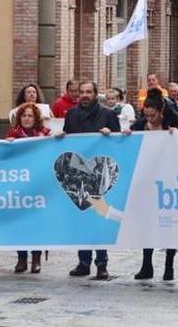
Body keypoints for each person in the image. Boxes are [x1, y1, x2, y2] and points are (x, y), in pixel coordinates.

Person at [61, 81, 121, 280]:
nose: (84, 95)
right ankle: (83, 262)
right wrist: (62, 137)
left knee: (98, 220)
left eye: (88, 92)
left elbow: (120, 143)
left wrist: (110, 135)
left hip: (99, 176)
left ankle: (102, 263)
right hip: (77, 176)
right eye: (82, 92)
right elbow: (67, 141)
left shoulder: (108, 115)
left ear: (96, 94)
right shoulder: (71, 115)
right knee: (81, 219)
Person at [130, 89, 178, 281]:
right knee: (148, 223)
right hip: (147, 180)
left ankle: (169, 265)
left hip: (168, 180)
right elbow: (127, 141)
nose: (149, 119)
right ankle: (147, 264)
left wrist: (176, 135)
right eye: (146, 115)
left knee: (169, 223)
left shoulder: (172, 122)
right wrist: (126, 134)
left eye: (153, 115)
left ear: (161, 112)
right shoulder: (140, 126)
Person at [6, 102, 51, 274]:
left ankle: (36, 257)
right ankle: (22, 257)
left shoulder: (45, 135)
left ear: (36, 118)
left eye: (30, 115)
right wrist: (8, 145)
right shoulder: (13, 134)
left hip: (38, 185)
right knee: (20, 223)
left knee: (36, 223)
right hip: (19, 186)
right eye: (24, 115)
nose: (26, 118)